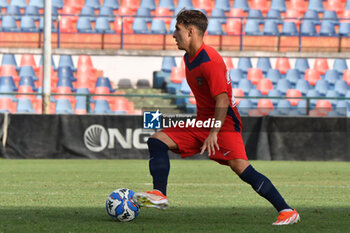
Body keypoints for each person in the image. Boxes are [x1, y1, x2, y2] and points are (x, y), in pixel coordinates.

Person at [134, 9, 300, 225]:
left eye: (178, 29)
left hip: (224, 125)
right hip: (203, 121)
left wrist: (213, 132)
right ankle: (159, 193)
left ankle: (287, 211)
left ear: (191, 31)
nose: (174, 34)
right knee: (157, 140)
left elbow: (222, 100)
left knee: (242, 169)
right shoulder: (188, 58)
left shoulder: (210, 61)